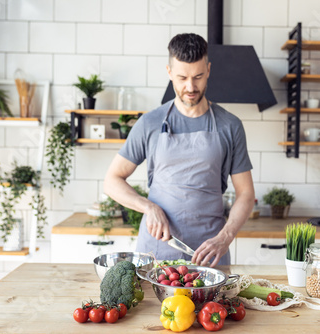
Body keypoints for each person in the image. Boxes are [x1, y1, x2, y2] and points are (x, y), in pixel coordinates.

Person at [103, 33, 255, 267]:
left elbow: (245, 193)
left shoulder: (230, 125)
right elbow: (112, 180)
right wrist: (148, 206)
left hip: (210, 254)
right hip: (156, 253)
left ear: (209, 70)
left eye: (198, 77)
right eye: (182, 77)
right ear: (169, 72)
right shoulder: (149, 123)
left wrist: (225, 238)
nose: (190, 87)